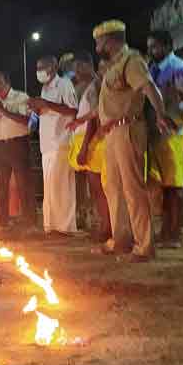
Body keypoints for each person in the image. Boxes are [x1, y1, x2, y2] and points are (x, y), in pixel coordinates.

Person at [94, 19, 174, 262]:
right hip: (112, 133)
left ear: (110, 40)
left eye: (99, 41)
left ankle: (144, 245)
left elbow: (148, 87)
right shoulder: (113, 66)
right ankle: (121, 240)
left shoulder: (132, 60)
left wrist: (160, 114)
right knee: (113, 188)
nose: (97, 45)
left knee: (133, 189)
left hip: (128, 129)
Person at [147, 30, 183, 249]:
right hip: (155, 136)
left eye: (155, 47)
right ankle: (165, 232)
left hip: (172, 135)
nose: (151, 51)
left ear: (167, 45)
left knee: (175, 186)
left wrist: (174, 122)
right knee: (163, 187)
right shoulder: (152, 69)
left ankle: (175, 235)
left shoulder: (178, 67)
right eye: (150, 47)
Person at [28, 57, 78, 235]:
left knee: (62, 186)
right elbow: (48, 110)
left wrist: (46, 104)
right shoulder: (44, 88)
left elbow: (73, 110)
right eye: (37, 67)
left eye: (43, 67)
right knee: (50, 187)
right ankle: (51, 226)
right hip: (47, 144)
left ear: (55, 67)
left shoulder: (64, 84)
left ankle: (65, 227)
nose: (40, 71)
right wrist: (37, 108)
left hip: (61, 141)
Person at [66, 52, 111, 243]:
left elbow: (94, 118)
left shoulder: (95, 87)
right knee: (95, 188)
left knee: (98, 188)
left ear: (88, 66)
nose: (75, 72)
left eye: (78, 68)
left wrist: (86, 147)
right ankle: (103, 225)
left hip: (95, 141)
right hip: (90, 140)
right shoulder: (89, 87)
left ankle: (107, 228)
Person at [0, 71, 36, 229]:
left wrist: (4, 111)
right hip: (0, 146)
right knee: (1, 186)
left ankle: (29, 222)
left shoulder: (21, 97)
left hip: (18, 144)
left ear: (6, 82)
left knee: (24, 184)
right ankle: (2, 223)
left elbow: (27, 121)